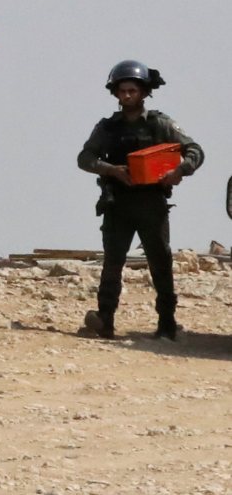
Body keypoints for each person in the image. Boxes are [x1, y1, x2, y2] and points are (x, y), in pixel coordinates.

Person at [77, 59, 204, 340]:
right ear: (115, 93)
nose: (127, 96)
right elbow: (85, 158)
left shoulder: (161, 124)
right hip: (118, 204)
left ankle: (167, 323)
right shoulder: (107, 128)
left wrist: (179, 171)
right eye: (122, 91)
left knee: (160, 262)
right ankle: (105, 320)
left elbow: (194, 150)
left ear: (144, 92)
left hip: (152, 205)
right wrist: (111, 170)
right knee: (113, 262)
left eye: (132, 90)